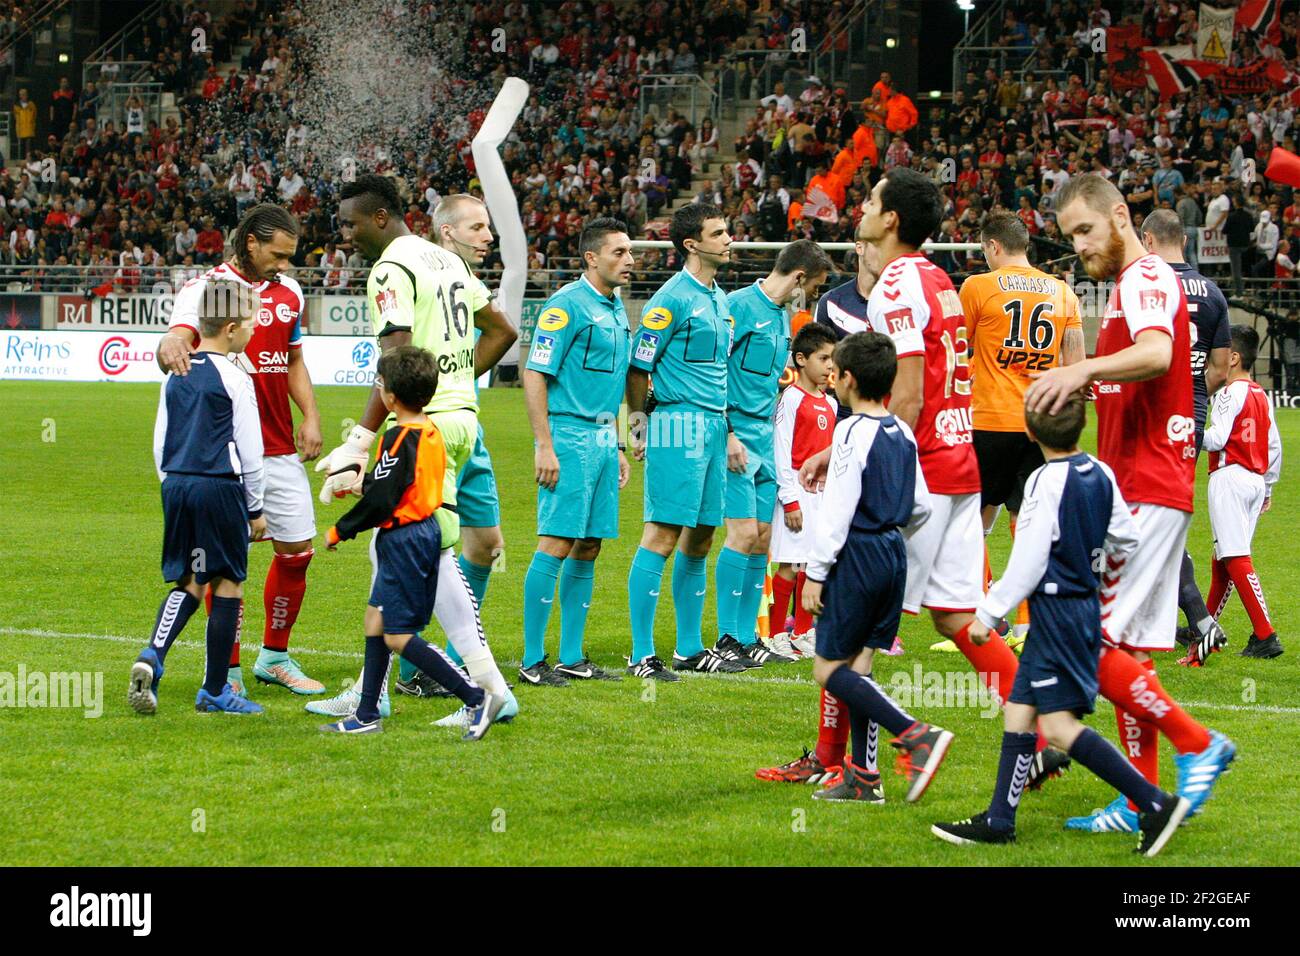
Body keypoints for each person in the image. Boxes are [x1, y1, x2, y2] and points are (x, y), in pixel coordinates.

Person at [1028, 173, 1237, 832]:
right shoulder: (1132, 284)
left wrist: (1081, 369)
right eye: (1069, 237)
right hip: (1145, 485)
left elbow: (1157, 353)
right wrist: (1098, 389)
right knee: (1132, 653)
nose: (1080, 245)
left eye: (1086, 229)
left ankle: (1198, 744)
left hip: (1145, 485)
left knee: (1090, 641)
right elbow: (1150, 370)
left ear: (1120, 215)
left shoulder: (1145, 277)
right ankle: (1138, 798)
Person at [932, 393, 1193, 857]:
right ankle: (999, 820)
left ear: (1030, 433)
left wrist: (989, 615)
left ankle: (1154, 802)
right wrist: (1093, 562)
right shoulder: (1100, 472)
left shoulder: (1043, 482)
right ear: (1081, 425)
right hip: (1081, 607)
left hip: (1057, 614)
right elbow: (1127, 538)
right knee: (1018, 711)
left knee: (1056, 727)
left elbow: (1029, 561)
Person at [311, 174, 517, 723]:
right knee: (400, 552)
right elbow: (502, 330)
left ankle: (488, 690)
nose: (345, 234)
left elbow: (396, 365)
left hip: (425, 426)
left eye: (351, 223)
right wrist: (453, 382)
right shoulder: (447, 262)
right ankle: (371, 695)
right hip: (458, 417)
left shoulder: (392, 268)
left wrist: (359, 441)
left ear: (380, 218)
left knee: (425, 555)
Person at [157, 204, 325, 698]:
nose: (285, 265)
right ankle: (224, 669)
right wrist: (169, 340)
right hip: (225, 458)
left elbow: (292, 359)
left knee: (297, 550)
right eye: (278, 254)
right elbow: (180, 337)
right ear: (250, 242)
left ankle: (274, 656)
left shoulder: (289, 292)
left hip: (278, 447)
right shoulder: (206, 289)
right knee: (224, 565)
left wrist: (311, 416)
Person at [318, 346, 505, 740]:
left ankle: (477, 697)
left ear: (389, 397)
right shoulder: (431, 432)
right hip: (420, 531)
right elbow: (400, 485)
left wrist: (341, 529)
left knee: (398, 635)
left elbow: (385, 500)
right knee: (376, 621)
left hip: (407, 539)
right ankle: (367, 713)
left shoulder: (397, 437)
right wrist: (363, 484)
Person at [799, 331, 952, 804]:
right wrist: (891, 530)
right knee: (860, 665)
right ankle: (865, 777)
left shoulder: (850, 430)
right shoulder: (901, 431)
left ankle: (915, 734)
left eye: (835, 371)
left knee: (828, 669)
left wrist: (817, 572)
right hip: (891, 553)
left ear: (846, 378)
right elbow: (923, 505)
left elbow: (837, 510)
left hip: (858, 555)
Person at [394, 192, 520, 699]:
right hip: (430, 430)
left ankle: (439, 664)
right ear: (445, 231)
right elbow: (396, 354)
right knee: (428, 553)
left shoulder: (462, 275)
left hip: (466, 424)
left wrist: (458, 378)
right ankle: (415, 671)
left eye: (488, 228)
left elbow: (504, 330)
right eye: (476, 228)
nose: (488, 238)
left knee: (485, 547)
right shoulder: (416, 270)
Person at [128, 279, 267, 717]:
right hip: (219, 486)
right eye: (250, 322)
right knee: (228, 582)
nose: (253, 330)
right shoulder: (235, 376)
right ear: (230, 327)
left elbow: (158, 441)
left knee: (189, 578)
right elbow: (251, 449)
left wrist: (171, 484)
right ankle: (214, 690)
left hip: (177, 485)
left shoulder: (177, 373)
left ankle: (152, 655)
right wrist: (256, 508)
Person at [624, 203, 744, 679]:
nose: (729, 239)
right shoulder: (669, 299)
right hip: (676, 423)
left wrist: (729, 429)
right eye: (719, 233)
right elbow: (639, 366)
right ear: (692, 245)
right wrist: (637, 426)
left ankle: (689, 649)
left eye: (727, 230)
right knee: (664, 534)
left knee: (703, 535)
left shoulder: (718, 297)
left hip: (713, 425)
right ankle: (640, 653)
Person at [957, 212, 1085, 653]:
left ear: (992, 246)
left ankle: (987, 619)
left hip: (990, 418)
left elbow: (958, 351)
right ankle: (1031, 623)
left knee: (971, 520)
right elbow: (1076, 365)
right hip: (1042, 422)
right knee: (1029, 522)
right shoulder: (1063, 292)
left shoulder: (977, 287)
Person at [518, 219, 634, 684]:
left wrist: (621, 443)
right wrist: (544, 444)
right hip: (567, 436)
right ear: (591, 258)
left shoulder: (617, 307)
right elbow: (534, 373)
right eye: (619, 252)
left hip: (605, 438)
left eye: (629, 253)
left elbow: (615, 382)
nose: (629, 260)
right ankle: (531, 660)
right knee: (557, 541)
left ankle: (571, 655)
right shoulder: (564, 307)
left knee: (589, 545)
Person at [715, 240, 833, 669]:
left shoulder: (782, 316)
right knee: (742, 535)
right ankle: (726, 635)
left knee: (763, 540)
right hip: (737, 433)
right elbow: (715, 368)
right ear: (799, 278)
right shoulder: (737, 306)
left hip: (765, 433)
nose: (812, 297)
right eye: (815, 287)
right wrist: (727, 431)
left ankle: (748, 636)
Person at [1140, 209, 1231, 659]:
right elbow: (1218, 369)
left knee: (1145, 523)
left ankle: (1198, 618)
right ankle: (1184, 619)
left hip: (1152, 415)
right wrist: (1193, 390)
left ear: (1150, 240)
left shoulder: (1147, 286)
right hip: (1191, 418)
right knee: (1164, 518)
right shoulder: (1213, 292)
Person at [1202, 325, 1283, 660]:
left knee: (1235, 557)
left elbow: (1218, 439)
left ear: (1232, 358)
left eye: (1218, 355)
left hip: (1229, 476)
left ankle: (1265, 635)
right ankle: (1202, 627)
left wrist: (1183, 431)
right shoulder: (1260, 394)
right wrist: (1267, 487)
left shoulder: (1227, 393)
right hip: (1253, 480)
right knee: (1223, 559)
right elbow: (1273, 446)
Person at [766, 323, 838, 663]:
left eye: (832, 359)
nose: (829, 366)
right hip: (796, 491)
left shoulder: (831, 404)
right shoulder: (792, 398)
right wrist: (789, 497)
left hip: (821, 496)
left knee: (812, 563)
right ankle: (776, 634)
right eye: (823, 358)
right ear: (800, 359)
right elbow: (780, 449)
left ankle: (802, 631)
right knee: (790, 565)